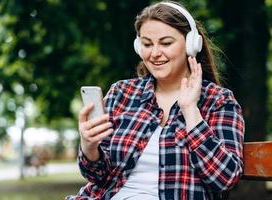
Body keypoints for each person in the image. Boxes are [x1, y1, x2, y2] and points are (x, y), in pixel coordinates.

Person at [65, 1, 244, 199]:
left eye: (166, 43)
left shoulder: (218, 101)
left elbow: (226, 178)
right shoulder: (122, 93)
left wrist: (191, 111)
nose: (155, 53)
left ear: (192, 44)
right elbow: (97, 176)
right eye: (147, 44)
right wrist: (89, 147)